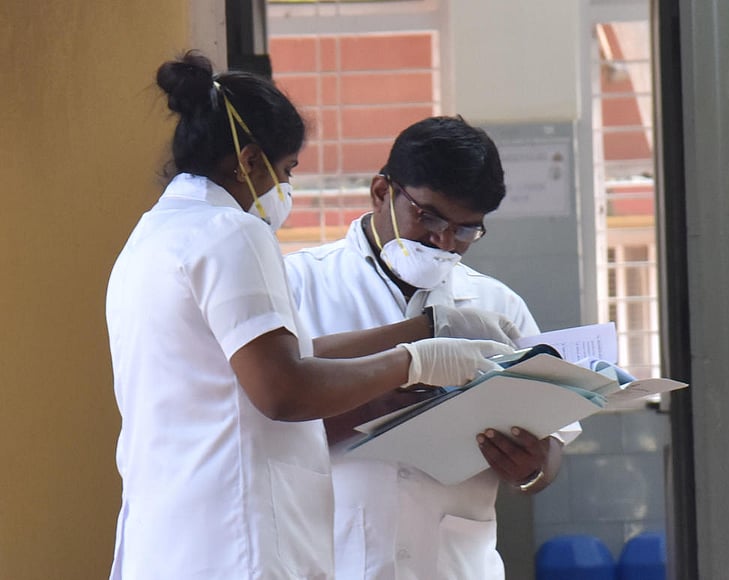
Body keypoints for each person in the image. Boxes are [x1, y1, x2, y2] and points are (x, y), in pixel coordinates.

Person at [105, 54, 516, 580]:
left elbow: (280, 357)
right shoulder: (233, 232)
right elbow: (285, 389)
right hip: (236, 541)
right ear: (249, 162)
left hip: (175, 540)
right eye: (287, 170)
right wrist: (415, 361)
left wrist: (426, 331)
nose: (286, 187)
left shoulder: (153, 237)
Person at [284, 116, 581, 579]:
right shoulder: (298, 285)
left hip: (455, 565)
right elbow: (266, 416)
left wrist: (531, 469)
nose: (444, 241)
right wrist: (386, 395)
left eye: (466, 230)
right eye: (430, 218)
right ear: (381, 192)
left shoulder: (497, 305)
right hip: (333, 560)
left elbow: (553, 444)